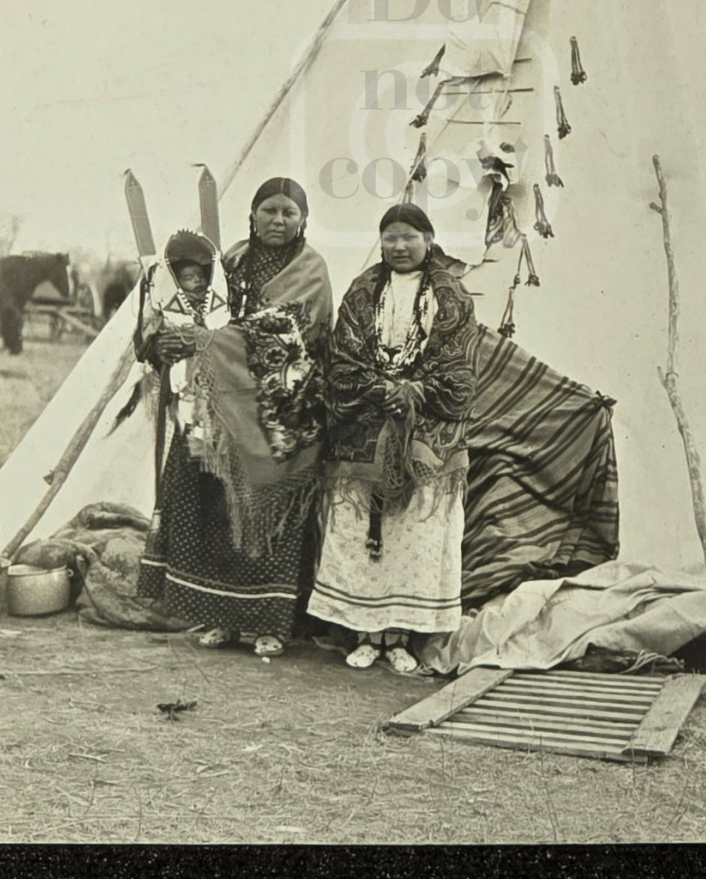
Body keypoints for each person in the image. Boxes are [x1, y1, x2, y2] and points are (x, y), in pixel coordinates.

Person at [137, 178, 332, 655]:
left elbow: (289, 331)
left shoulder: (311, 269)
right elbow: (187, 311)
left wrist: (204, 342)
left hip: (279, 413)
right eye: (269, 210)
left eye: (288, 212)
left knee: (267, 512)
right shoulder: (229, 261)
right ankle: (218, 617)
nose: (278, 220)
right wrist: (161, 340)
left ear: (303, 218)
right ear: (253, 214)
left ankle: (270, 623)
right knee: (210, 503)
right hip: (216, 406)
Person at [308, 203, 477, 673]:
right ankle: (364, 634)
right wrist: (382, 389)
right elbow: (342, 359)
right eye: (390, 239)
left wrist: (416, 391)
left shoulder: (453, 296)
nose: (399, 248)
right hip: (364, 422)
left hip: (426, 427)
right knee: (360, 535)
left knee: (414, 536)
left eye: (409, 237)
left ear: (428, 238)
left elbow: (459, 369)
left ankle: (401, 637)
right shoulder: (363, 290)